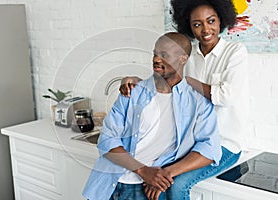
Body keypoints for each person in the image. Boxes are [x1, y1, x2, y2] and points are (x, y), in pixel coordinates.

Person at [119, 0, 250, 199]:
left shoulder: (235, 52)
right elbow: (166, 82)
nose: (206, 29)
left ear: (221, 20)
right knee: (156, 177)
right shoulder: (187, 55)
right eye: (197, 24)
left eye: (211, 21)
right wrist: (136, 81)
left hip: (225, 144)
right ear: (189, 27)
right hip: (190, 142)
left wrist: (187, 81)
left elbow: (225, 96)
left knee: (177, 185)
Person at [83, 32, 222, 200]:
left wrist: (165, 173)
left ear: (183, 59)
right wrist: (143, 171)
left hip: (146, 190)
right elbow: (106, 140)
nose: (156, 59)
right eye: (155, 53)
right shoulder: (132, 91)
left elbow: (210, 148)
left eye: (164, 55)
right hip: (107, 182)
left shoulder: (198, 101)